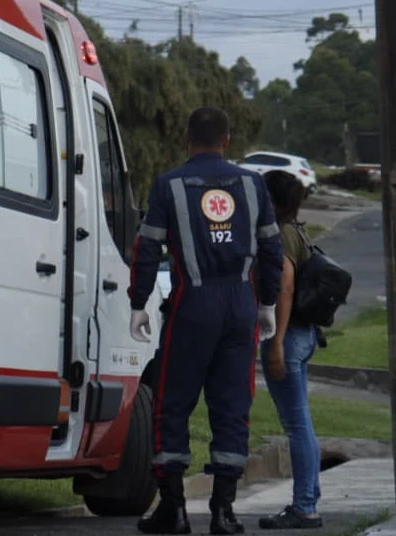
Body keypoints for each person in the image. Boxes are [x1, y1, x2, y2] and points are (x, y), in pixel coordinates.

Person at [128, 106, 284, 535]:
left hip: (192, 304)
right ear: (227, 141)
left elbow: (147, 249)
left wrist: (139, 302)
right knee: (233, 406)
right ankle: (223, 512)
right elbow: (272, 249)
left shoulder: (168, 185)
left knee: (171, 403)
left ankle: (174, 509)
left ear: (187, 138)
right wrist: (267, 303)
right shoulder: (253, 184)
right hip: (241, 304)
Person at [256, 169, 324, 530]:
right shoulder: (298, 229)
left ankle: (305, 506)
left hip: (289, 336)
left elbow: (284, 288)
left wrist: (276, 343)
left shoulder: (281, 234)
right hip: (305, 334)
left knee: (296, 425)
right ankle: (308, 499)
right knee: (302, 422)